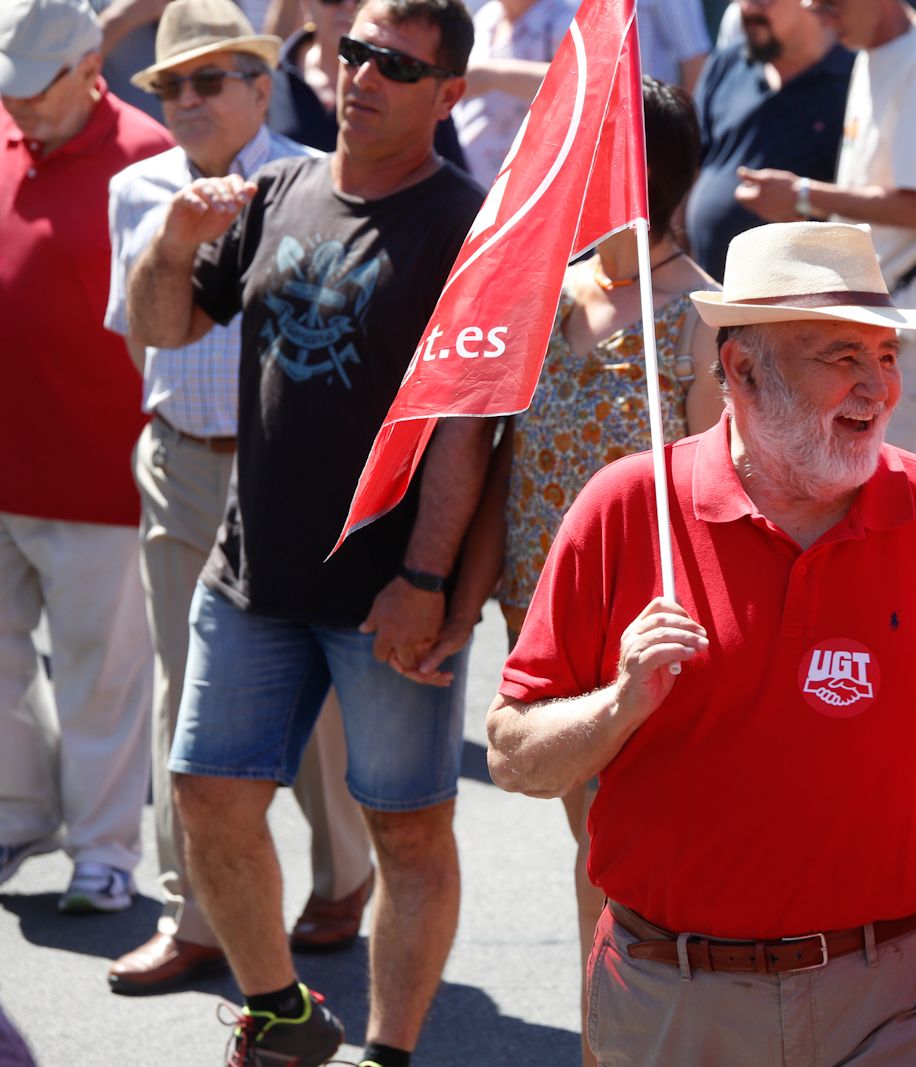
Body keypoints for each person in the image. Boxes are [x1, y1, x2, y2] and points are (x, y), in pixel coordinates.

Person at [488, 221, 916, 1067]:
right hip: (678, 1001)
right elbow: (512, 755)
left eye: (887, 355)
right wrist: (618, 705)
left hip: (903, 995)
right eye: (842, 356)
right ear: (744, 369)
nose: (878, 387)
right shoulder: (624, 508)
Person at [125, 0, 490, 1061]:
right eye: (353, 49)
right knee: (206, 798)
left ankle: (390, 1048)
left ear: (449, 95)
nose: (361, 74)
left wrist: (425, 577)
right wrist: (174, 241)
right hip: (253, 574)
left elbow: (465, 429)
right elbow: (164, 325)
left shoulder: (462, 224)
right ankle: (283, 1014)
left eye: (395, 64)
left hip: (385, 587)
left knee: (408, 831)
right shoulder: (280, 188)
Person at [102, 0, 376, 996]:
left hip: (292, 476)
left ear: (262, 87)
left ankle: (344, 878)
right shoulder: (135, 189)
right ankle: (197, 914)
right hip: (180, 463)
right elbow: (134, 328)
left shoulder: (311, 180)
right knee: (189, 702)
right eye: (170, 83)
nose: (184, 98)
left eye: (208, 78)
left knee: (314, 704)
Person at [494, 74, 720, 1067]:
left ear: (633, 175)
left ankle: (625, 1044)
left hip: (644, 633)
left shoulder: (705, 315)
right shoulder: (547, 286)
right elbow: (495, 458)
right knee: (594, 850)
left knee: (625, 855)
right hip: (543, 620)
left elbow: (721, 495)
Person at [0, 0, 170, 911]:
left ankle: (103, 852)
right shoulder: (3, 127)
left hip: (101, 472)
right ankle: (19, 811)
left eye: (33, 90)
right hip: (4, 460)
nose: (19, 107)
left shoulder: (145, 155)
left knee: (101, 672)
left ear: (86, 69)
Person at [734, 0, 916, 455]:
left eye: (830, 5)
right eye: (814, 6)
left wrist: (803, 196)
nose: (822, 18)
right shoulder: (876, 53)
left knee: (877, 478)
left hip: (900, 317)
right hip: (873, 309)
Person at [684, 0, 851, 281]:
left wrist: (805, 197)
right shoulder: (726, 63)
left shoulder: (855, 78)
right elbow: (689, 167)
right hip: (709, 301)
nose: (748, 10)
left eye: (763, 1)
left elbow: (878, 199)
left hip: (807, 307)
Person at [266, 0, 467, 167]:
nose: (348, 5)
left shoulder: (422, 90)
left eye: (395, 65)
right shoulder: (263, 80)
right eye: (356, 50)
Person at [451, 0, 576, 186]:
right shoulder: (488, 16)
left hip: (529, 185)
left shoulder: (566, 19)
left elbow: (582, 84)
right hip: (472, 180)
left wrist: (494, 77)